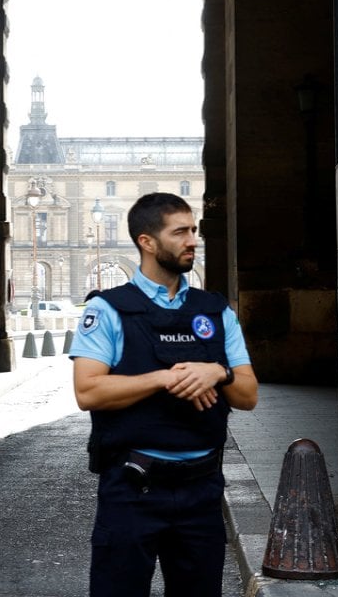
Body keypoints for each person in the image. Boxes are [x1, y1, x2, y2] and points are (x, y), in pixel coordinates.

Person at [71, 192, 258, 597]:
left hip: (202, 488)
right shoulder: (107, 310)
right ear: (147, 242)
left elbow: (247, 395)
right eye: (180, 232)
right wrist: (162, 379)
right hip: (132, 488)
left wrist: (218, 372)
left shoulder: (215, 312)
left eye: (194, 230)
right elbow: (87, 391)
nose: (193, 240)